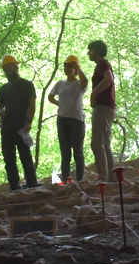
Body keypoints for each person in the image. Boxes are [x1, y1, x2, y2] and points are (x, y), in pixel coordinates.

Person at [0, 54, 38, 191]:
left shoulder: (27, 85)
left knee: (25, 155)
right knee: (9, 158)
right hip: (7, 127)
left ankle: (31, 183)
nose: (7, 72)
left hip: (21, 126)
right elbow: (0, 106)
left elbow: (32, 106)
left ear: (16, 67)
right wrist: (0, 111)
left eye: (9, 68)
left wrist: (28, 122)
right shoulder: (3, 89)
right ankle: (14, 185)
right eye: (5, 70)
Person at [48, 55, 88, 183]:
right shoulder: (60, 84)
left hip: (77, 120)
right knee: (65, 153)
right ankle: (66, 181)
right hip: (62, 120)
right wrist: (60, 104)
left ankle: (80, 181)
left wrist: (78, 67)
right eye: (66, 66)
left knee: (78, 152)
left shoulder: (78, 84)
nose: (67, 68)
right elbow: (50, 97)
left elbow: (85, 82)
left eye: (71, 66)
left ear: (75, 69)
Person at [87, 40, 116, 182]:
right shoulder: (102, 65)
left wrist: (94, 93)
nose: (88, 53)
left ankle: (103, 178)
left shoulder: (103, 64)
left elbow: (108, 79)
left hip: (103, 107)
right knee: (105, 144)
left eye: (90, 50)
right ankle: (112, 177)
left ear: (97, 51)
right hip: (106, 107)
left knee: (97, 143)